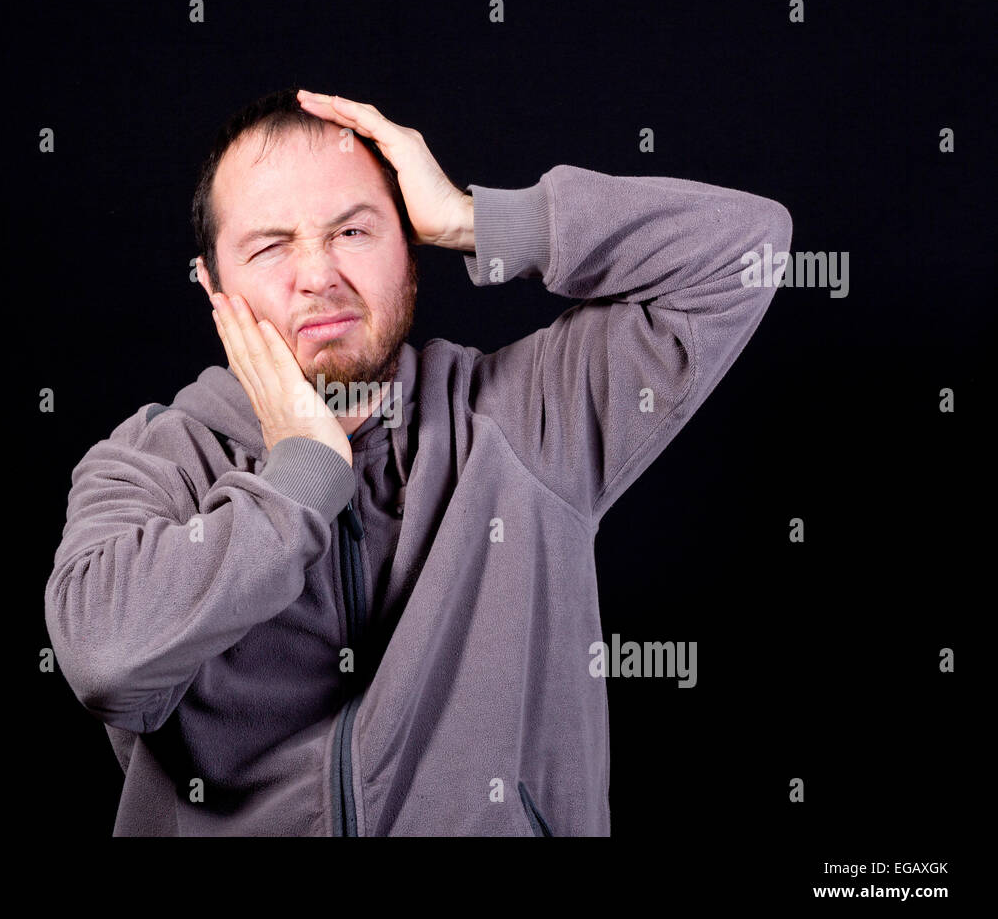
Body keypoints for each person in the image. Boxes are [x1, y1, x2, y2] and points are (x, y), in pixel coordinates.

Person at [43, 86, 792, 835]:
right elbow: (107, 665)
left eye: (355, 231)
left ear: (410, 246)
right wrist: (298, 477)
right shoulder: (151, 462)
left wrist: (479, 220)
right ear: (213, 285)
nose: (318, 275)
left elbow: (748, 249)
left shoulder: (529, 418)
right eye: (271, 246)